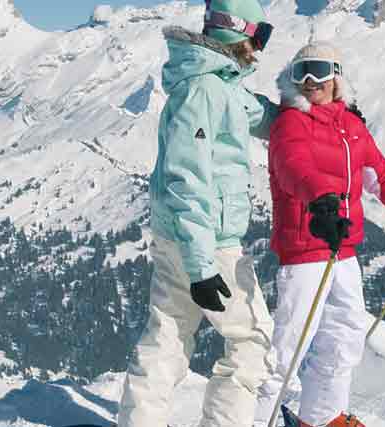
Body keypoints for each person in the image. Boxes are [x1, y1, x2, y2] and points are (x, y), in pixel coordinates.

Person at [253, 42, 385, 427]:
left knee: (346, 335)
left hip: (342, 246)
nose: (309, 81)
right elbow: (292, 166)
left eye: (318, 70)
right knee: (289, 343)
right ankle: (256, 419)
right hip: (306, 246)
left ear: (336, 76)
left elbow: (380, 176)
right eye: (300, 71)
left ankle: (320, 416)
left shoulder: (351, 127)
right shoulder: (291, 122)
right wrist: (320, 201)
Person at [116, 0, 280, 425]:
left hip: (181, 236)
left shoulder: (218, 85)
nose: (259, 47)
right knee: (251, 342)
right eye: (258, 35)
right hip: (207, 242)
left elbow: (261, 115)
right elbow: (187, 177)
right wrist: (202, 265)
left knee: (168, 336)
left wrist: (321, 116)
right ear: (235, 31)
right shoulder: (204, 90)